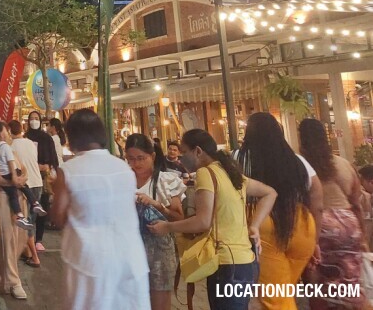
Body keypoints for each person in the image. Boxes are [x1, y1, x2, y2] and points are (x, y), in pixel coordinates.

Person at [147, 128, 278, 310]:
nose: (181, 157)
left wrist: (167, 227)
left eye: (184, 152)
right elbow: (270, 192)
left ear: (198, 151)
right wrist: (254, 226)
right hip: (247, 262)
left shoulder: (205, 173)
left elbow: (202, 221)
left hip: (225, 264)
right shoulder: (231, 173)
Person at [50, 109, 150, 309]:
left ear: (72, 137)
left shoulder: (68, 171)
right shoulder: (123, 168)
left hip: (89, 260)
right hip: (130, 257)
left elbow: (58, 217)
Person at [235, 112, 321, 310]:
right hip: (302, 224)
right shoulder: (297, 160)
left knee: (275, 299)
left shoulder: (239, 159)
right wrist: (315, 238)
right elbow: (317, 198)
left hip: (264, 223)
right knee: (285, 292)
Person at [299, 118, 367, 310]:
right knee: (351, 278)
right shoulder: (343, 164)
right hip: (348, 224)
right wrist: (362, 237)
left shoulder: (301, 167)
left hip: (319, 225)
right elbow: (357, 203)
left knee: (318, 283)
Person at [124, 133, 185, 310]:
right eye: (131, 159)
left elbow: (179, 217)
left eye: (141, 158)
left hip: (159, 250)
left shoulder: (167, 180)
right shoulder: (124, 181)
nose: (136, 164)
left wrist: (158, 206)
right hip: (130, 247)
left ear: (152, 156)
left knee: (159, 300)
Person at [0, 122, 36, 230]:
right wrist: (15, 182)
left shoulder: (12, 151)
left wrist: (23, 178)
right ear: (1, 135)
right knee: (8, 234)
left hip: (18, 198)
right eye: (6, 131)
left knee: (18, 236)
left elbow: (24, 170)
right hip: (5, 199)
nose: (9, 134)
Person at [9, 119, 43, 268]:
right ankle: (29, 252)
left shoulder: (11, 146)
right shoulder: (30, 142)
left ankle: (33, 256)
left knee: (26, 223)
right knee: (31, 221)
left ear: (9, 131)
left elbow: (15, 168)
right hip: (38, 183)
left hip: (25, 185)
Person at [25, 110, 57, 251]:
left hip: (42, 179)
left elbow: (52, 158)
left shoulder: (46, 138)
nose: (34, 121)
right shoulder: (25, 138)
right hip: (28, 178)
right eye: (31, 118)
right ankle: (28, 240)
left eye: (36, 118)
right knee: (28, 209)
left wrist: (46, 166)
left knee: (41, 207)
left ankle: (39, 239)